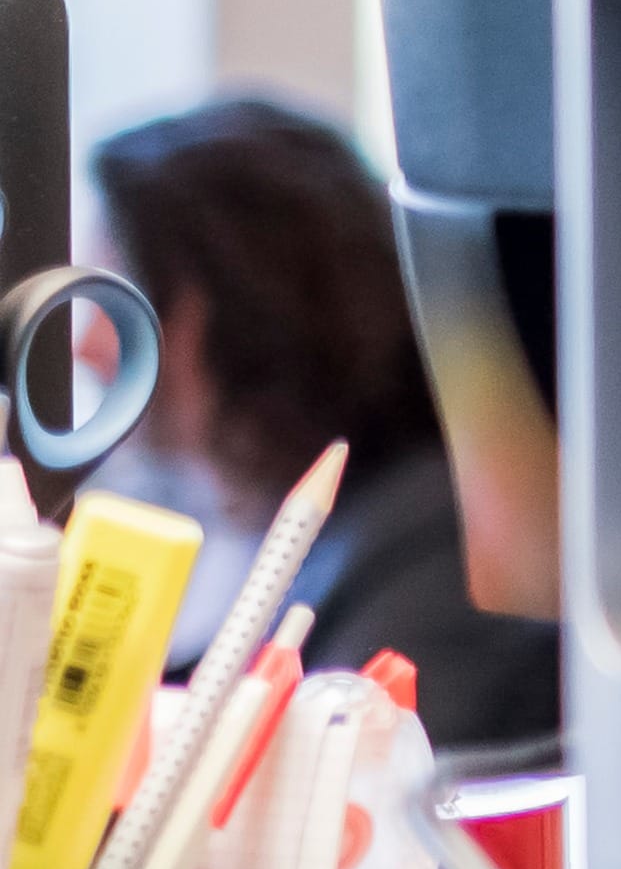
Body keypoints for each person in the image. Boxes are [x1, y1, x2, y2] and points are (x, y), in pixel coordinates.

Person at [84, 92, 555, 772]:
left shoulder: (443, 553)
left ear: (236, 307)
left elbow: (362, 827)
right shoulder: (330, 533)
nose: (87, 345)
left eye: (116, 291)